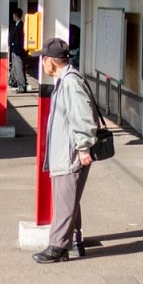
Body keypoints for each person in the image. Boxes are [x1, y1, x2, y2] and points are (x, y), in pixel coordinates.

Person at [34, 36, 97, 263]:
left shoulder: (70, 82)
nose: (41, 63)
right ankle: (75, 242)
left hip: (71, 152)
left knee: (65, 200)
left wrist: (83, 147)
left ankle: (57, 247)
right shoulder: (65, 80)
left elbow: (82, 115)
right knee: (69, 198)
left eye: (43, 59)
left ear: (51, 61)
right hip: (66, 151)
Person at [7, 7, 28, 93]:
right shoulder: (18, 25)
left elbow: (19, 39)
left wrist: (15, 48)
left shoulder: (20, 26)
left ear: (15, 15)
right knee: (15, 67)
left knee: (19, 68)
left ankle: (22, 86)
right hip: (15, 50)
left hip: (18, 50)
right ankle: (14, 82)